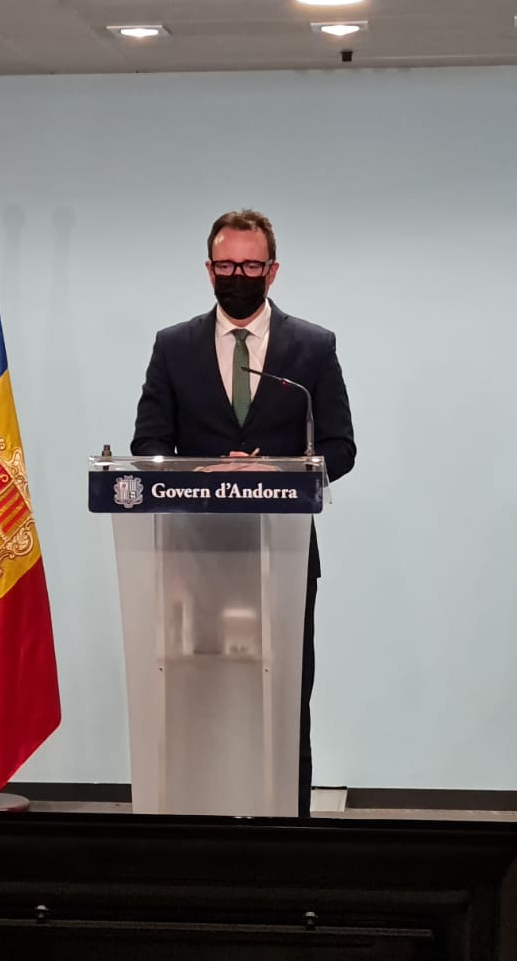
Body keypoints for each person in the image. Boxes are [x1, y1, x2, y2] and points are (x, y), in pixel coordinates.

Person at [131, 209, 356, 817]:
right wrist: (195, 472)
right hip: (194, 556)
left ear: (272, 270)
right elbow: (147, 443)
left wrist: (278, 471)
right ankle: (195, 819)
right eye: (226, 265)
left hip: (282, 555)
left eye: (250, 266)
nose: (238, 276)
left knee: (283, 694)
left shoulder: (312, 347)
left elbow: (340, 448)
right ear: (208, 269)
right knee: (198, 694)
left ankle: (289, 825)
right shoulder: (173, 346)